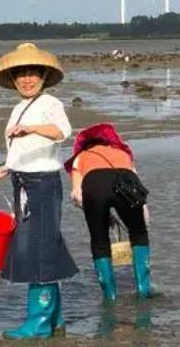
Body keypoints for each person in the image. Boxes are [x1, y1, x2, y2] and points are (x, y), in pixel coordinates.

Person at [0, 43, 78, 339]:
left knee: (39, 251)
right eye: (21, 74)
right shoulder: (18, 108)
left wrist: (32, 128)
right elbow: (19, 151)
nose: (27, 79)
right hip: (22, 181)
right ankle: (55, 319)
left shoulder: (50, 104)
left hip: (43, 185)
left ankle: (38, 323)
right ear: (13, 79)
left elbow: (61, 132)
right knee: (44, 247)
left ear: (44, 76)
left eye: (32, 73)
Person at [64, 123, 156, 300]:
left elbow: (77, 195)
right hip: (126, 180)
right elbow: (136, 187)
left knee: (99, 241)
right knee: (138, 233)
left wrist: (102, 214)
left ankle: (110, 295)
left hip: (95, 184)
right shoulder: (122, 153)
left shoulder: (81, 157)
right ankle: (144, 289)